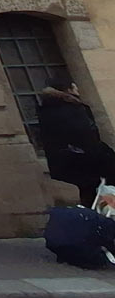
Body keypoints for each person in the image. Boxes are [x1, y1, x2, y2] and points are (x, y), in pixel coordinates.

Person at [38, 74, 115, 207]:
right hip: (85, 162)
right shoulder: (73, 109)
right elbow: (86, 137)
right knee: (97, 195)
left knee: (87, 196)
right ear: (68, 90)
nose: (78, 91)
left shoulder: (46, 110)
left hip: (65, 163)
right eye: (75, 87)